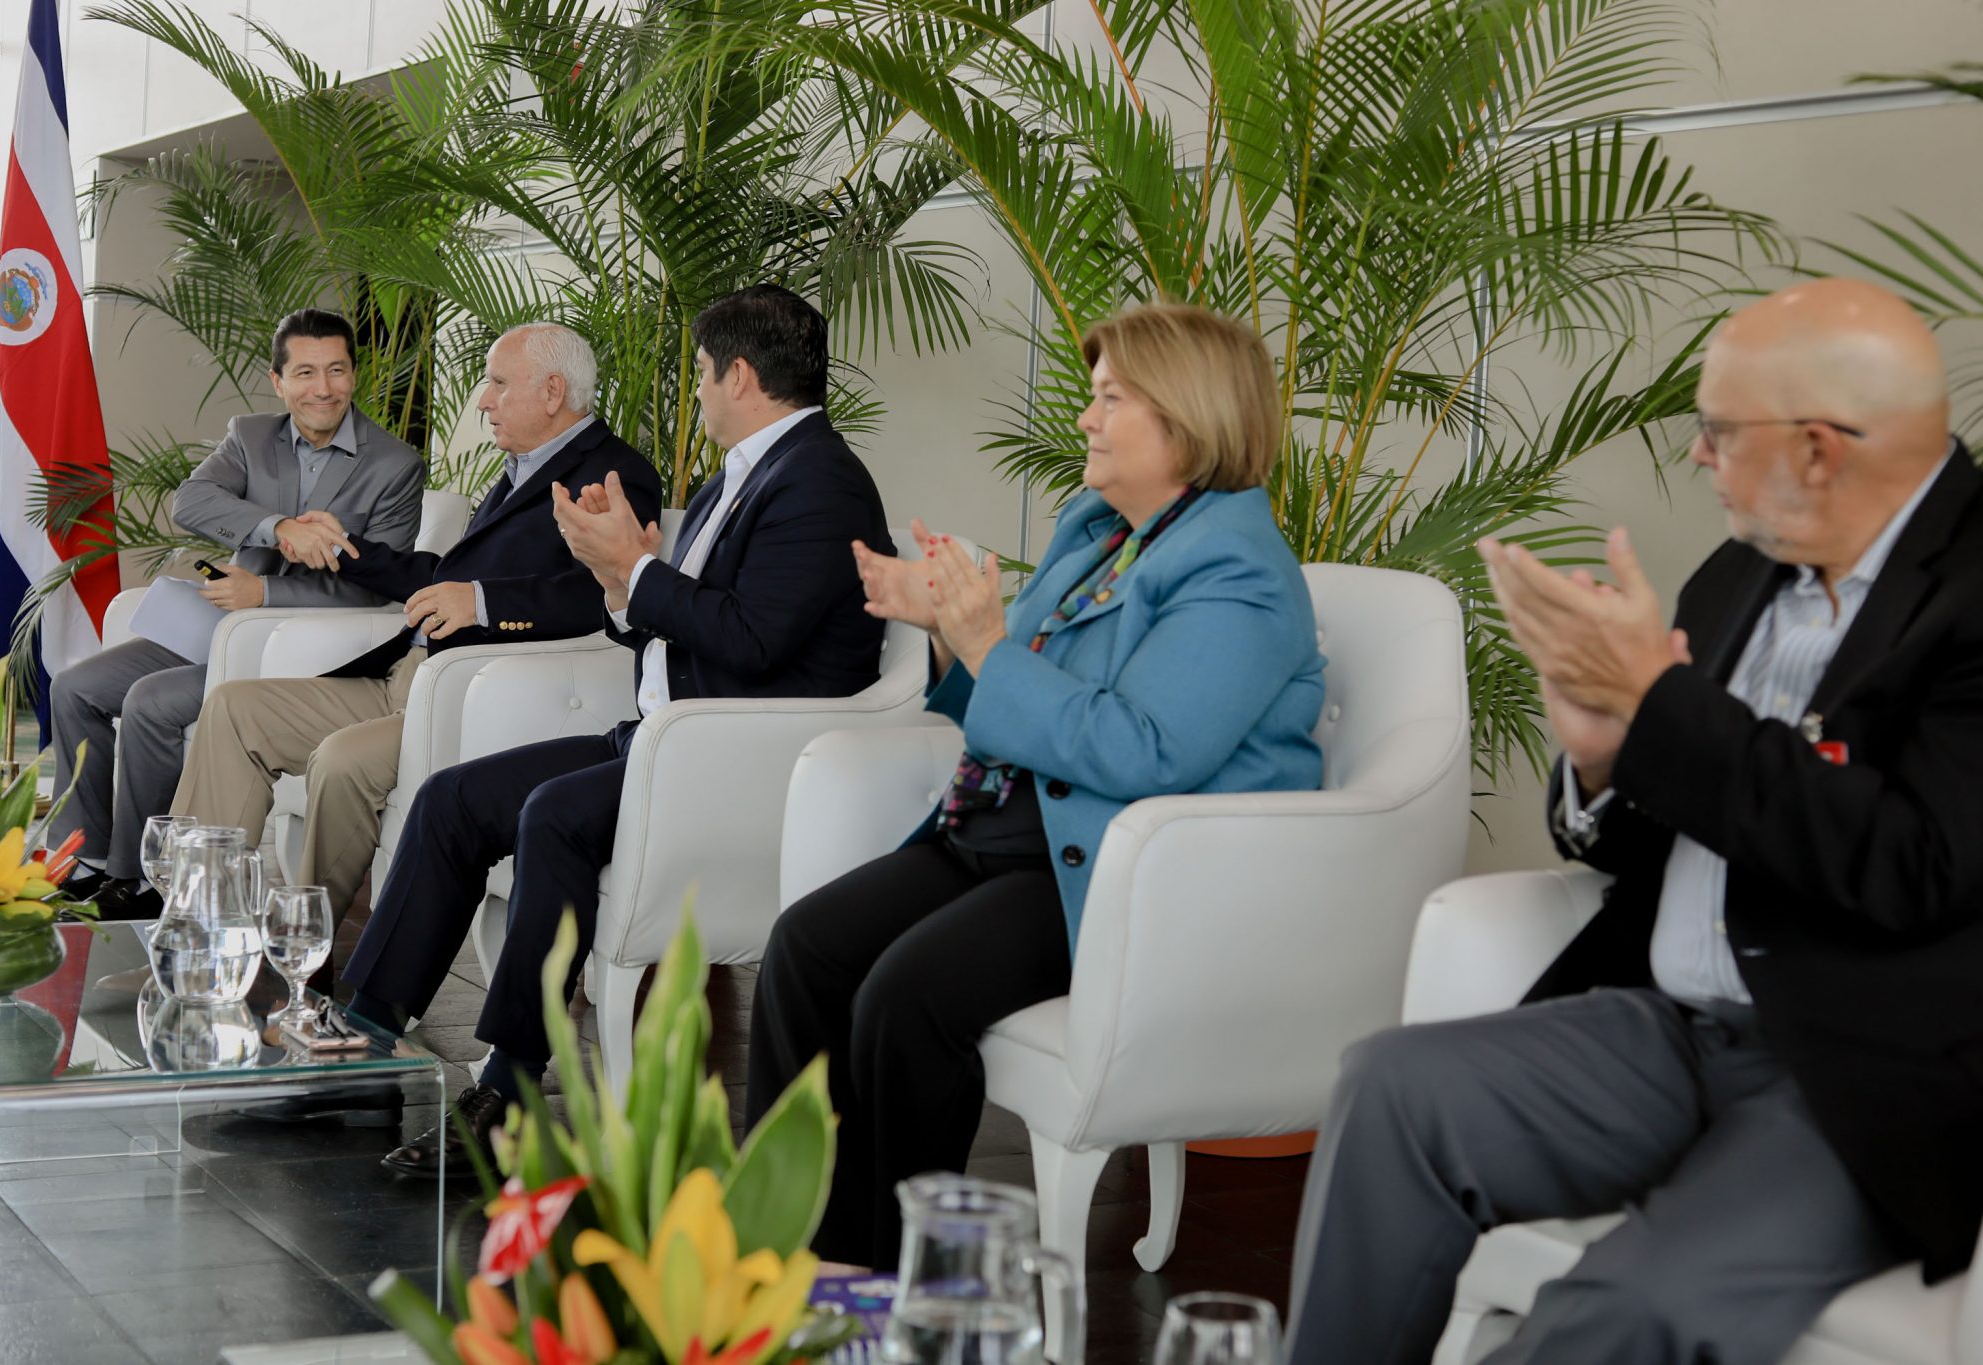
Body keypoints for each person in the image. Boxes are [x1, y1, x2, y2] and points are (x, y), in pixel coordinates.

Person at [1281, 277, 1983, 1365]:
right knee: (1392, 1087)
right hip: (1668, 1029)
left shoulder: (1973, 591)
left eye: (1717, 429)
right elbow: (1666, 818)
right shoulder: (1736, 572)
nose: (1697, 454)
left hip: (1859, 1078)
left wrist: (1662, 710)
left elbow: (1913, 865)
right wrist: (1605, 757)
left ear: (1816, 449)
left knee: (1635, 1302)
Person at [747, 301, 1328, 1269]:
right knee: (804, 948)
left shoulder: (1240, 573)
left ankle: (901, 1288)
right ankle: (794, 1259)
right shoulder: (1100, 531)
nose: (1085, 419)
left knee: (905, 998)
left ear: (1188, 417)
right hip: (1011, 829)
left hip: (1121, 869)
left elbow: (1145, 751)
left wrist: (984, 641)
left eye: (1111, 400)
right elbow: (1011, 693)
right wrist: (945, 630)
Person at [339, 284, 894, 1176]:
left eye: (703, 372)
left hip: (735, 760)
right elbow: (674, 620)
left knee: (553, 814)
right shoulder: (736, 477)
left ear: (739, 375)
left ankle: (509, 1089)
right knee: (451, 799)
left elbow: (753, 641)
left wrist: (636, 566)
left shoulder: (821, 482)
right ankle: (362, 1037)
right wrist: (617, 581)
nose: (698, 390)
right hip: (664, 738)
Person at [170, 322, 659, 933]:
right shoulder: (522, 468)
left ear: (553, 391)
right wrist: (346, 549)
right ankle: (195, 922)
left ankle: (304, 941)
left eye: (498, 384)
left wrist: (481, 602)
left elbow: (605, 592)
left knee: (342, 760)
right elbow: (445, 576)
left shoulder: (614, 475)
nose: (483, 401)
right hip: (406, 677)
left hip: (470, 698)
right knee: (232, 708)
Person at [51, 309, 425, 917]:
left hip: (302, 652)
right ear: (278, 381)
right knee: (74, 689)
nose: (323, 388)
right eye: (305, 372)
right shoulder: (250, 437)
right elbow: (192, 502)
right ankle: (86, 859)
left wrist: (265, 593)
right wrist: (277, 527)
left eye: (336, 370)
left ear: (354, 375)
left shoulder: (395, 465)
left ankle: (136, 880)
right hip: (220, 629)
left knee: (150, 702)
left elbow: (375, 592)